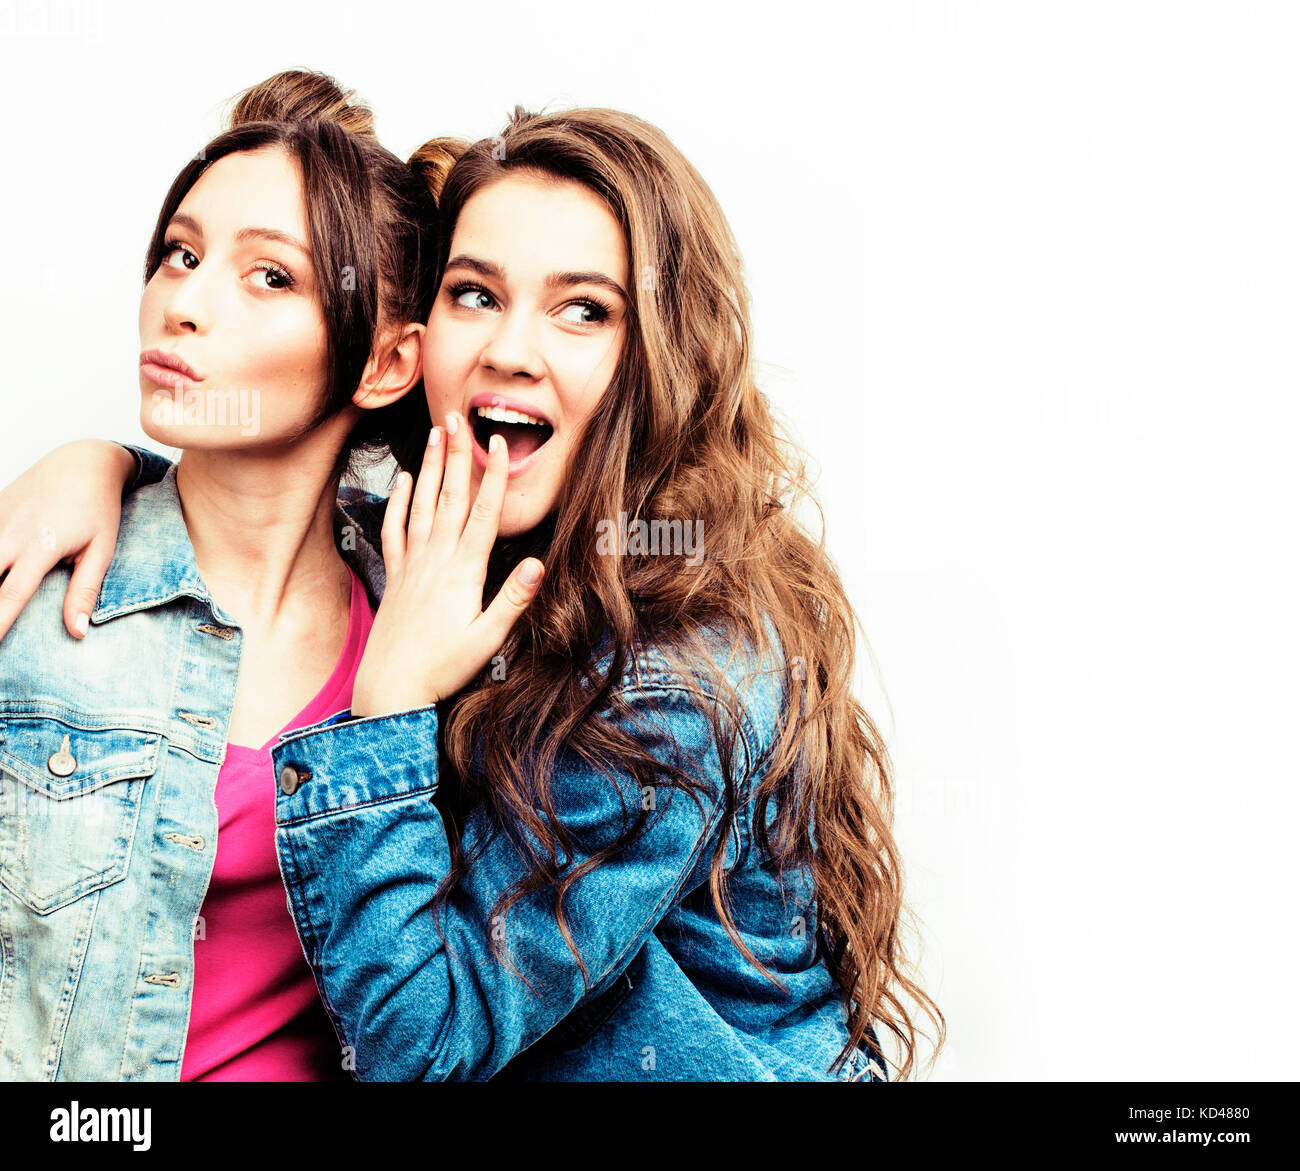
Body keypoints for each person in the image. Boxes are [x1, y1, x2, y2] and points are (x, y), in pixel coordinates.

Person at [0, 103, 943, 1080]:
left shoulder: (670, 678)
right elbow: (255, 493)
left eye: (584, 308)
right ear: (411, 345)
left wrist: (393, 699)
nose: (508, 349)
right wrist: (100, 461)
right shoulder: (435, 548)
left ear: (658, 355)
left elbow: (421, 1050)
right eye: (474, 294)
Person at [0, 70, 472, 1080]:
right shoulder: (42, 583)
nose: (185, 303)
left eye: (269, 277)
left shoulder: (427, 619)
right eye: (181, 253)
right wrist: (100, 456)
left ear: (388, 364)